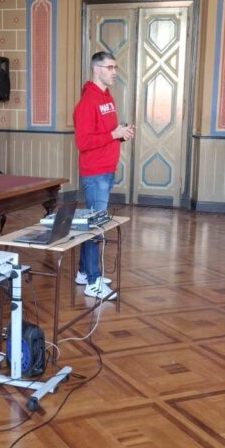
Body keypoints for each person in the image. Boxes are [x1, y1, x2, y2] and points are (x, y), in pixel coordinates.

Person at [73, 51, 134, 299]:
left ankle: (83, 273)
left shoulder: (107, 97)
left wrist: (122, 133)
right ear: (97, 69)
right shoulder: (88, 101)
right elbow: (83, 142)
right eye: (110, 68)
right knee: (96, 227)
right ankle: (93, 282)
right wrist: (113, 134)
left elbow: (108, 132)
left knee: (93, 223)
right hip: (95, 172)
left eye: (115, 67)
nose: (114, 72)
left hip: (107, 169)